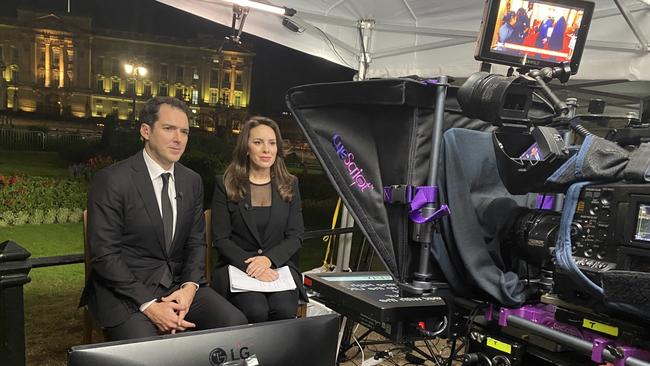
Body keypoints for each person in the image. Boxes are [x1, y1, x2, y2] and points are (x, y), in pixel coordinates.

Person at [79, 96, 247, 341]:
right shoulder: (112, 180)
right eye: (169, 129)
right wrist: (149, 305)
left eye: (185, 132)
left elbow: (195, 243)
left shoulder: (192, 181)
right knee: (148, 352)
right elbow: (105, 255)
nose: (179, 139)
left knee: (235, 325)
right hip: (125, 292)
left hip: (178, 285)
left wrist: (189, 288)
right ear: (146, 131)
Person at [210, 116, 306, 323]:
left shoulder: (290, 184)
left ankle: (279, 356)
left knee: (283, 309)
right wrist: (253, 267)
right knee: (255, 310)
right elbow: (221, 239)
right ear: (246, 148)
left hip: (278, 267)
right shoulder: (225, 183)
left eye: (272, 143)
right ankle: (250, 356)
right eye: (258, 142)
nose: (266, 150)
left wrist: (268, 260)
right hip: (238, 267)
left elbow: (296, 236)